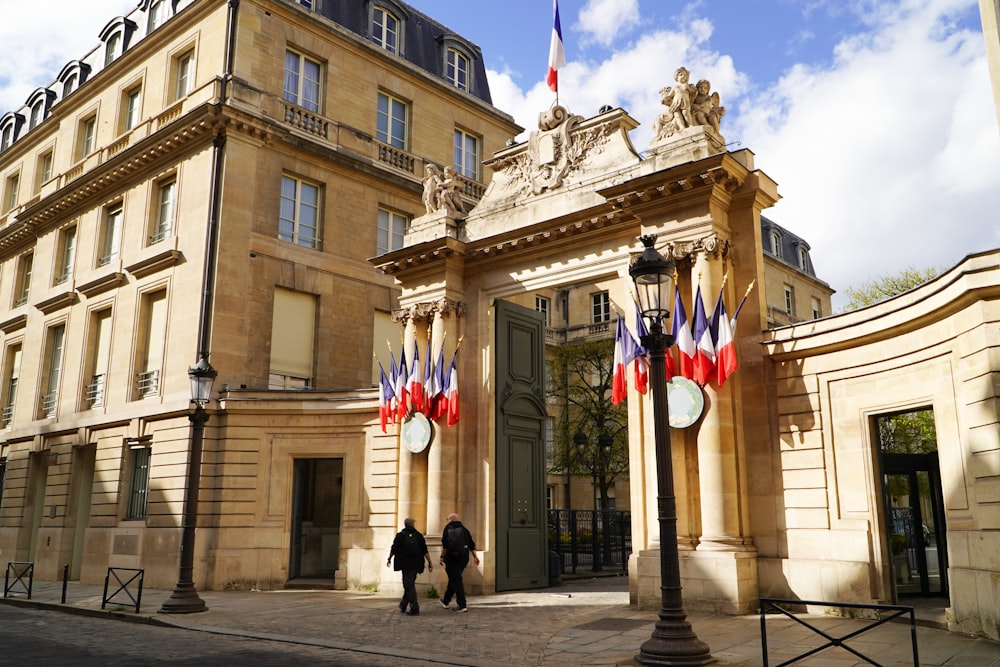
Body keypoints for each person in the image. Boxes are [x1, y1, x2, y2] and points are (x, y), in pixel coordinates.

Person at [387, 517, 432, 616]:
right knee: (409, 584)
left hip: (405, 564)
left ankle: (414, 607)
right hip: (417, 564)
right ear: (413, 525)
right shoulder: (419, 536)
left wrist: (389, 558)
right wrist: (429, 561)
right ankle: (403, 604)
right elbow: (424, 550)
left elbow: (394, 548)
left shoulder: (400, 536)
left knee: (409, 585)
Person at [438, 512, 479, 612]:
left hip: (451, 559)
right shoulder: (465, 530)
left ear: (450, 520)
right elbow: (472, 545)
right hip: (463, 559)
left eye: (447, 519)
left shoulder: (448, 529)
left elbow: (445, 546)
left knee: (456, 580)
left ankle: (462, 604)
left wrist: (442, 557)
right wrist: (475, 557)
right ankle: (446, 600)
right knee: (454, 578)